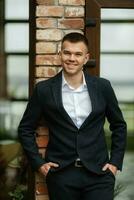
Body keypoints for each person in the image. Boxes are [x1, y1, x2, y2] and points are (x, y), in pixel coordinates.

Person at [18, 32, 127, 200]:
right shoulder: (44, 90)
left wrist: (114, 163)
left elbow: (119, 125)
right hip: (61, 175)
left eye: (78, 54)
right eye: (67, 52)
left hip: (99, 174)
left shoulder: (102, 87)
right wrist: (39, 164)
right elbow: (25, 128)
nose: (72, 58)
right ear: (60, 54)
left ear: (86, 58)